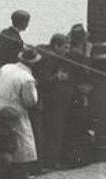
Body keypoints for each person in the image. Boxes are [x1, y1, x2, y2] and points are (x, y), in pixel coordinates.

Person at [0, 48, 42, 179]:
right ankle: (20, 172)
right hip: (15, 109)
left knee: (2, 137)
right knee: (22, 140)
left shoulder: (6, 68)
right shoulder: (27, 78)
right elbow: (30, 101)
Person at [33, 33, 73, 170]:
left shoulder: (43, 50)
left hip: (44, 100)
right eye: (65, 48)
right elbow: (45, 81)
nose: (67, 51)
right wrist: (57, 76)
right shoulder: (52, 58)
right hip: (51, 102)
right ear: (56, 46)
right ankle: (50, 161)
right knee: (54, 131)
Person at [59, 24, 95, 167]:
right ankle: (78, 158)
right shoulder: (77, 55)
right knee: (78, 125)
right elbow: (84, 72)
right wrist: (87, 55)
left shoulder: (70, 52)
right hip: (77, 94)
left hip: (69, 93)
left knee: (72, 126)